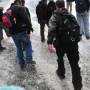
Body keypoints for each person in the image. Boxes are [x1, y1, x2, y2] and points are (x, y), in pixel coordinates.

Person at [47, 1, 82, 90]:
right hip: (72, 43)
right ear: (64, 5)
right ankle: (77, 85)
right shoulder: (70, 15)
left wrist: (49, 42)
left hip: (60, 44)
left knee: (60, 58)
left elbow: (51, 29)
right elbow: (77, 28)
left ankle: (61, 73)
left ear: (56, 6)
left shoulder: (54, 16)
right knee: (74, 64)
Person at [8, 0, 36, 70]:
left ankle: (21, 63)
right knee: (28, 45)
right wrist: (30, 28)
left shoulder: (8, 10)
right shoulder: (20, 8)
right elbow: (26, 19)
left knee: (18, 47)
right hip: (22, 31)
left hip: (13, 33)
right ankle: (28, 61)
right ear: (19, 2)